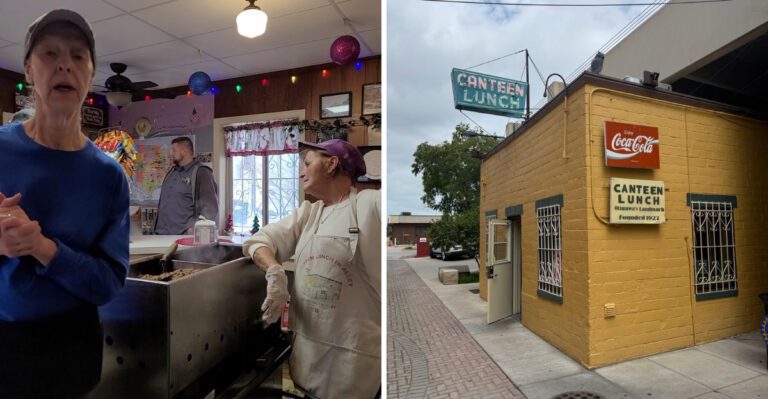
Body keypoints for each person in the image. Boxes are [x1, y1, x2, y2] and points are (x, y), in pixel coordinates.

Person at [0, 9, 129, 398]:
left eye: (77, 55)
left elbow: (108, 282)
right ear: (28, 70)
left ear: (90, 74)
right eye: (49, 54)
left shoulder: (109, 176)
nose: (64, 65)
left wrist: (42, 248)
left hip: (73, 349)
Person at [243, 139, 381, 399]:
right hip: (307, 356)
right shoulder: (308, 213)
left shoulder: (368, 204)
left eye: (307, 163)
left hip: (354, 363)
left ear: (331, 164)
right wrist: (274, 272)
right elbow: (258, 241)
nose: (301, 171)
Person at [154, 136, 219, 235]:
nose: (171, 153)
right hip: (161, 235)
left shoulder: (201, 172)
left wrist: (195, 229)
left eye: (174, 150)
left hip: (184, 236)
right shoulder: (172, 172)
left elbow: (210, 208)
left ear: (184, 151)